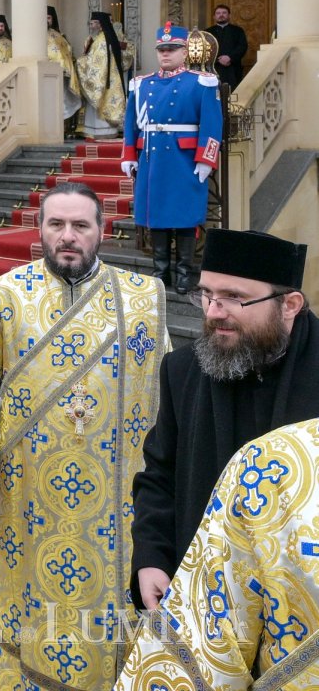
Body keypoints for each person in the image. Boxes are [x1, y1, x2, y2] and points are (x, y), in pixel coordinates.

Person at [0, 183, 169, 690]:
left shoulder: (143, 299)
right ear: (40, 230)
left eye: (80, 225)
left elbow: (166, 401)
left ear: (102, 231)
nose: (68, 237)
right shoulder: (6, 296)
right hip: (28, 500)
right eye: (56, 224)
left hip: (116, 503)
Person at [130, 229, 317, 614]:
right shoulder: (182, 370)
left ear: (290, 305)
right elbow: (159, 476)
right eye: (208, 294)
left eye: (235, 297)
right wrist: (151, 557)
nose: (214, 311)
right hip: (208, 601)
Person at [118, 418, 319, 690]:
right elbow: (160, 468)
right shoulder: (267, 458)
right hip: (199, 569)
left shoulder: (283, 454)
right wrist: (152, 554)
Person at [121, 22, 224, 294]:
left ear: (184, 51)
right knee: (156, 215)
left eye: (172, 49)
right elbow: (130, 123)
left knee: (185, 216)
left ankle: (185, 273)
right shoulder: (142, 84)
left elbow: (212, 124)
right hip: (152, 158)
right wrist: (129, 155)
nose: (166, 54)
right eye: (162, 50)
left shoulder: (200, 81)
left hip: (184, 158)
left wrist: (206, 158)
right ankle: (160, 272)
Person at [76, 11, 133, 139]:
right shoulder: (104, 38)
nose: (91, 26)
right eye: (90, 23)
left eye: (94, 23)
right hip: (111, 78)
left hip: (105, 80)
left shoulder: (102, 40)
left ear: (100, 25)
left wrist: (80, 62)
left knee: (100, 102)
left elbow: (96, 63)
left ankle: (101, 131)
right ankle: (103, 131)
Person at [47, 6, 83, 125]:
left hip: (60, 74)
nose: (46, 21)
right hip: (43, 76)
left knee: (61, 101)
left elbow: (67, 53)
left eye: (48, 18)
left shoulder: (59, 36)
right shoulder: (34, 37)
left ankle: (64, 128)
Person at [205, 3, 248, 89]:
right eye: (218, 13)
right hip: (214, 68)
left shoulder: (238, 31)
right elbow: (205, 49)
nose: (221, 15)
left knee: (234, 94)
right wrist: (218, 59)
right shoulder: (207, 32)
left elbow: (242, 46)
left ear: (229, 15)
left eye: (224, 13)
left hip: (233, 69)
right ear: (214, 16)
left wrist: (230, 57)